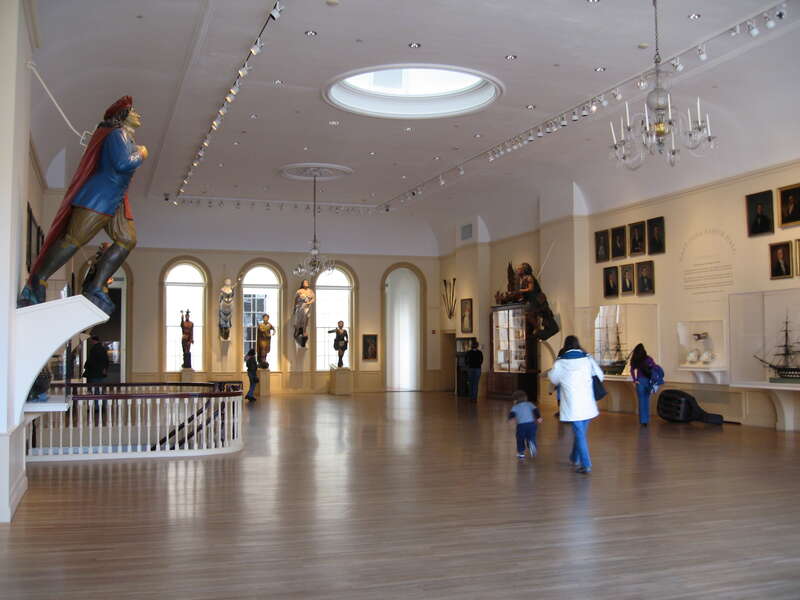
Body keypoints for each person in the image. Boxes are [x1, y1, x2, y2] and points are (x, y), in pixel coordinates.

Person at [18, 96, 147, 314]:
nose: (138, 114)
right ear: (122, 116)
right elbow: (123, 164)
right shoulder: (117, 134)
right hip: (100, 196)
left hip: (115, 199)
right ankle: (38, 281)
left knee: (127, 239)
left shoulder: (126, 138)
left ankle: (96, 285)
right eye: (133, 111)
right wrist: (141, 154)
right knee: (73, 239)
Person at [548, 335, 603, 474]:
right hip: (588, 403)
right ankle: (574, 457)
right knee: (580, 433)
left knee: (580, 433)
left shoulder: (561, 362)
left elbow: (553, 378)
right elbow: (600, 376)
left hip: (572, 404)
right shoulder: (588, 358)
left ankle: (586, 464)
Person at [508, 390, 542, 458]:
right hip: (532, 425)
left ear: (515, 400)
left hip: (521, 426)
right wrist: (538, 418)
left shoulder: (515, 407)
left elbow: (512, 414)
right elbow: (536, 410)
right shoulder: (530, 404)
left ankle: (521, 453)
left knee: (520, 438)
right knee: (531, 437)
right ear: (525, 398)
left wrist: (511, 419)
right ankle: (531, 445)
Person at [630, 343, 657, 427]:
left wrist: (635, 380)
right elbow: (654, 368)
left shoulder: (635, 359)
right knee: (646, 400)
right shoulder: (648, 358)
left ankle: (643, 421)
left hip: (640, 382)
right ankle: (646, 419)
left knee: (641, 401)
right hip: (648, 381)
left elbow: (632, 370)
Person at [292, 279, 315, 347]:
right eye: (305, 282)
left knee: (306, 318)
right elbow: (295, 300)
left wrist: (308, 303)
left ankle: (304, 330)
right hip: (300, 307)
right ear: (302, 284)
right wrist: (294, 308)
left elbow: (313, 299)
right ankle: (297, 329)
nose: (306, 283)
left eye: (307, 282)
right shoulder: (299, 291)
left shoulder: (310, 291)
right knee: (299, 319)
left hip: (307, 307)